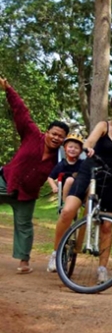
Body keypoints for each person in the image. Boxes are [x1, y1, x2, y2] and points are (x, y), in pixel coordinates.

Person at [50, 91, 112, 281]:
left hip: (110, 176)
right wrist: (88, 147)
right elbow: (90, 140)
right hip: (89, 171)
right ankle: (56, 253)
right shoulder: (104, 125)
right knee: (68, 211)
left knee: (107, 225)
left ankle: (102, 269)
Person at [0, 77, 69, 274]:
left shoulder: (58, 159)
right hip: (5, 181)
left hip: (27, 194)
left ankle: (23, 262)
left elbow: (67, 173)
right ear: (47, 132)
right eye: (54, 133)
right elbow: (21, 112)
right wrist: (8, 89)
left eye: (60, 136)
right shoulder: (31, 134)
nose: (56, 138)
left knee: (24, 227)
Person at [46, 132, 85, 201]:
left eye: (76, 148)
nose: (73, 149)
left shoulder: (82, 164)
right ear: (65, 149)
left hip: (79, 190)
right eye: (70, 147)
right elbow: (50, 177)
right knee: (70, 180)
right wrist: (54, 186)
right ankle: (65, 204)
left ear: (81, 151)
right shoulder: (62, 164)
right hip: (66, 191)